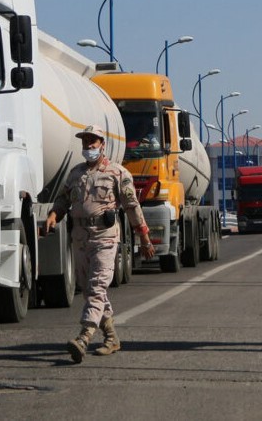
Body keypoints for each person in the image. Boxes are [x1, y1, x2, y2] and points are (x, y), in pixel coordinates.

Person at [44, 124, 156, 364]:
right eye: (85, 142)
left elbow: (131, 206)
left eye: (92, 142)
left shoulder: (117, 173)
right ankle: (112, 337)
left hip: (105, 237)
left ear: (102, 144)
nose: (88, 147)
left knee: (96, 287)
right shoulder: (75, 174)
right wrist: (54, 214)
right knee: (89, 290)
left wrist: (144, 236)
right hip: (80, 237)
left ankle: (83, 338)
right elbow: (63, 199)